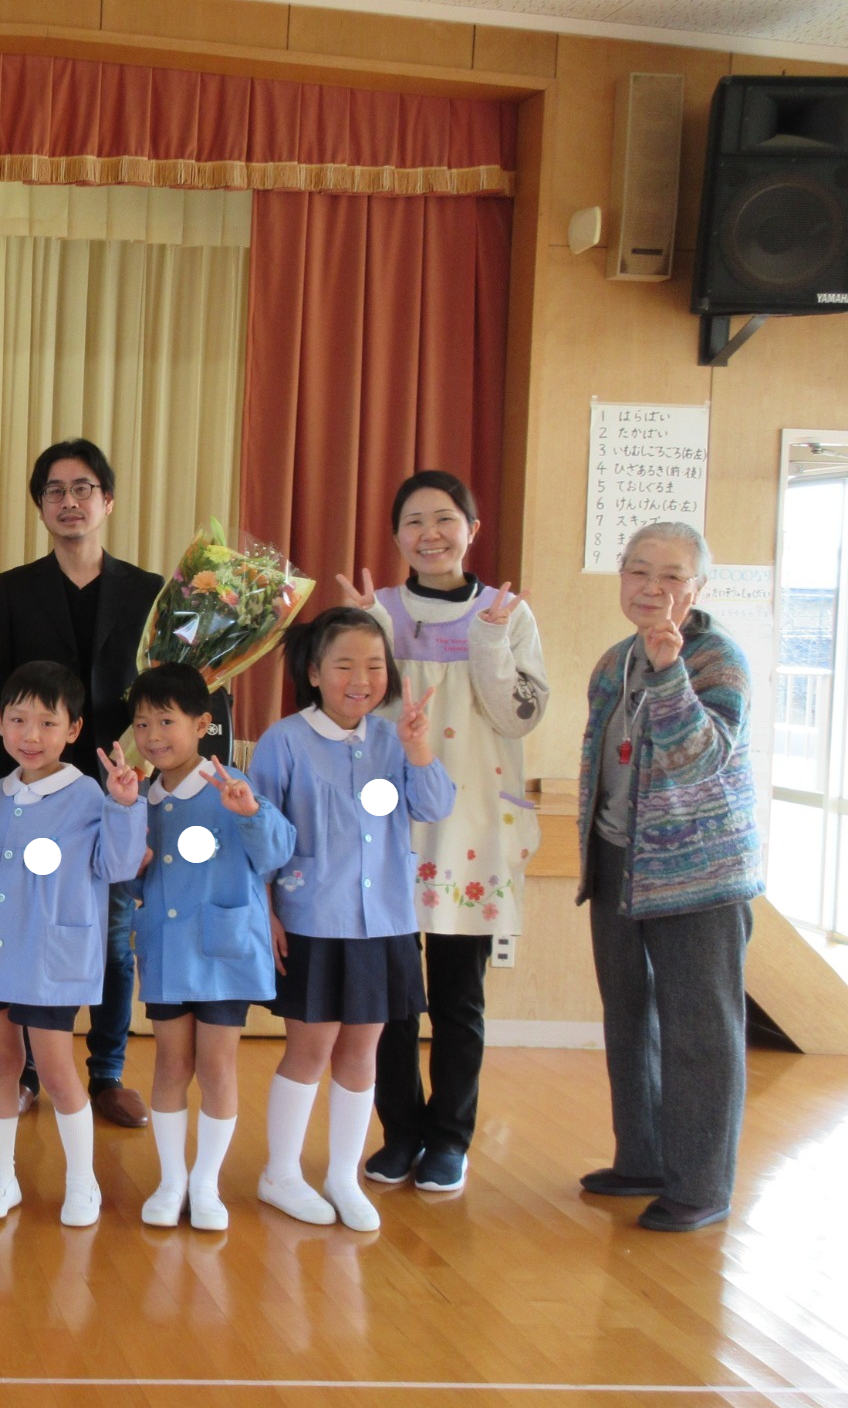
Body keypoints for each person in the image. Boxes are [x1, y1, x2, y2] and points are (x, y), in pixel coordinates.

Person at [338, 469, 550, 1196]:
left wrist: (489, 640)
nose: (430, 534)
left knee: (459, 1000)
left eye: (445, 519)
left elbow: (518, 714)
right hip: (388, 825)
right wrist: (367, 632)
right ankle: (401, 1131)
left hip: (474, 827)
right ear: (396, 536)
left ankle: (451, 1138)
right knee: (392, 1001)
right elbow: (362, 712)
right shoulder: (380, 611)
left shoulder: (507, 613)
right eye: (414, 522)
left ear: (472, 529)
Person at [576, 522, 760, 1234]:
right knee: (628, 1014)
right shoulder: (612, 661)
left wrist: (670, 672)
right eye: (638, 570)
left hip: (700, 872)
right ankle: (644, 1160)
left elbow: (701, 757)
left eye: (672, 575)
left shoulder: (718, 661)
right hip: (619, 858)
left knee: (699, 1030)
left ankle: (702, 1184)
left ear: (698, 587)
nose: (651, 587)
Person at [0, 440, 163, 1127]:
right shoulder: (14, 588)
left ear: (107, 500)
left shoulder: (148, 591)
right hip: (33, 791)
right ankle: (26, 1071)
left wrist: (145, 807)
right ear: (40, 506)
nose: (70, 501)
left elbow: (171, 692)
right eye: (54, 490)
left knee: (112, 936)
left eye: (84, 488)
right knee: (27, 927)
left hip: (115, 792)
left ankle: (106, 1072)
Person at [247, 608, 454, 1233]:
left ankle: (342, 1174)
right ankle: (281, 1173)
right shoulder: (284, 740)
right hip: (312, 916)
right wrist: (267, 912)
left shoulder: (394, 738)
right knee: (310, 1048)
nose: (361, 679)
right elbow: (257, 836)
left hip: (384, 920)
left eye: (374, 666)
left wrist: (419, 748)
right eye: (344, 665)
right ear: (314, 672)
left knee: (363, 1049)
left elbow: (434, 805)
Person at [0, 662, 148, 1227]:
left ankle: (82, 1181)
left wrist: (126, 806)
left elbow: (119, 866)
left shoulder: (89, 796)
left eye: (48, 723)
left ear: (73, 730)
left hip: (50, 959)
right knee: (2, 1063)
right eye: (19, 719)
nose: (31, 735)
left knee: (54, 1069)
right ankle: (1, 1178)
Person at [124, 664, 295, 1229]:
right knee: (171, 1063)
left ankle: (206, 1183)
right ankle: (172, 1180)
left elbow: (276, 853)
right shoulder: (139, 797)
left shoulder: (231, 785)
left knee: (217, 1066)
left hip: (224, 952)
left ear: (202, 725)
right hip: (167, 951)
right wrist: (132, 866)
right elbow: (127, 879)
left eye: (166, 721)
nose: (153, 736)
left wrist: (252, 814)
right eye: (142, 723)